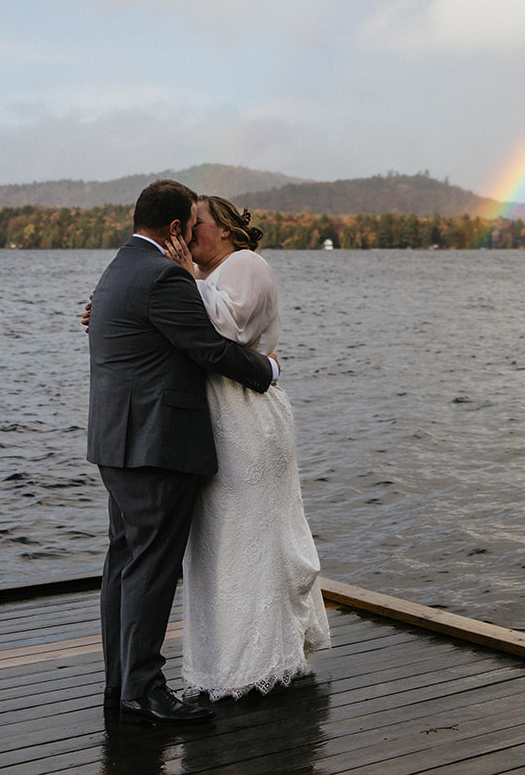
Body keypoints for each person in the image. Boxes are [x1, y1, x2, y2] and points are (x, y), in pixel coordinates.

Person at [86, 179, 278, 725]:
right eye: (190, 229)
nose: (194, 238)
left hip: (115, 441)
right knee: (150, 567)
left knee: (123, 561)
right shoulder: (163, 276)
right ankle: (145, 691)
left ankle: (120, 681)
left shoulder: (118, 268)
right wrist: (268, 371)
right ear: (174, 228)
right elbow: (210, 347)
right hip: (156, 445)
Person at [176, 195, 331, 698]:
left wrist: (179, 274)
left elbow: (227, 326)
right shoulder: (207, 274)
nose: (186, 233)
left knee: (251, 533)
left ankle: (263, 661)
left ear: (222, 228)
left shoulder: (247, 264)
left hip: (247, 415)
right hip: (218, 417)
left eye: (194, 224)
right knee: (218, 538)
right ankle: (223, 662)